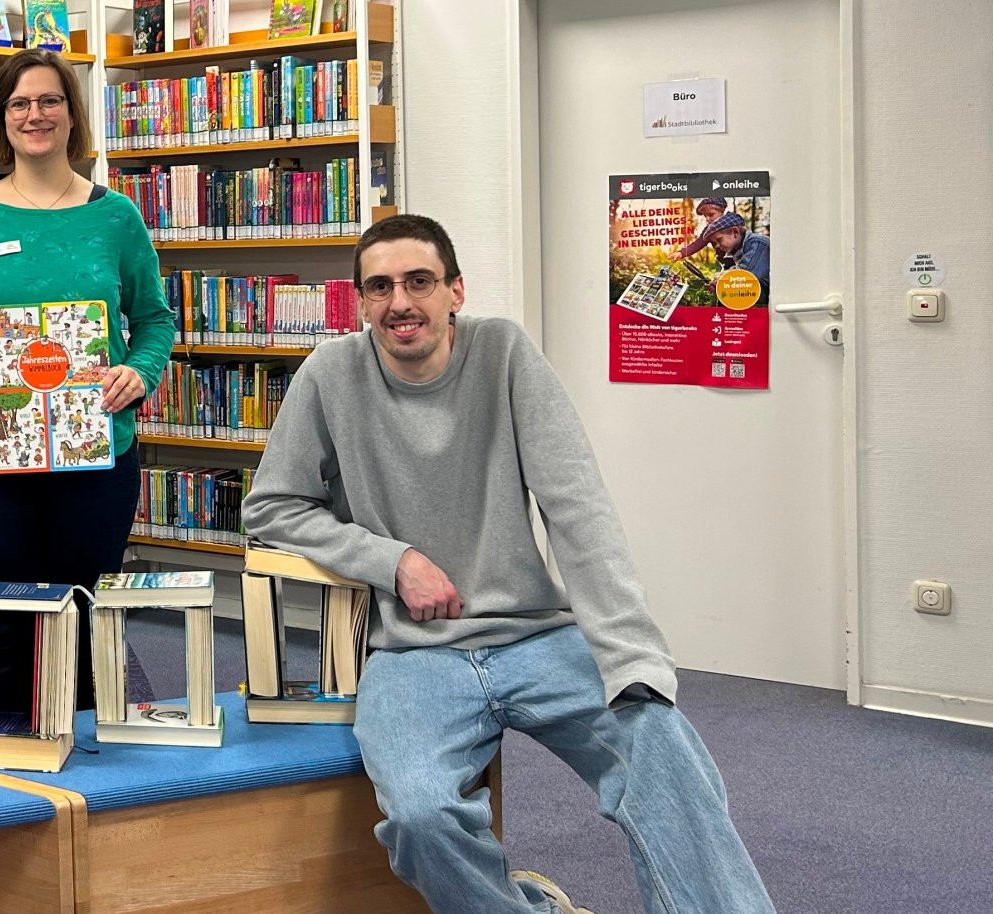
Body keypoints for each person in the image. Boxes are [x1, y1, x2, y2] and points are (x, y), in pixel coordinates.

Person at [241, 214, 777, 914]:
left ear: (456, 290)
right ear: (360, 302)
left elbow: (577, 510)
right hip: (414, 654)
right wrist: (393, 560)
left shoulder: (504, 353)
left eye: (420, 282)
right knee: (419, 817)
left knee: (665, 753)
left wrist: (633, 658)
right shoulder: (330, 374)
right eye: (379, 287)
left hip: (537, 636)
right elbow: (273, 509)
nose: (400, 301)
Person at [0, 48, 176, 713]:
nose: (36, 115)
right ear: (3, 118)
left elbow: (153, 321)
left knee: (84, 609)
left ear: (71, 112)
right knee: (6, 613)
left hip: (93, 455)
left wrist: (138, 373)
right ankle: (11, 762)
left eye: (50, 100)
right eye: (20, 103)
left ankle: (90, 765)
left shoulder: (116, 217)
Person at [692, 212, 772, 305]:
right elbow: (735, 271)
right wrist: (717, 281)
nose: (717, 246)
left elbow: (743, 276)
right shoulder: (739, 250)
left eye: (719, 240)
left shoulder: (757, 243)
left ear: (735, 232)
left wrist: (720, 281)